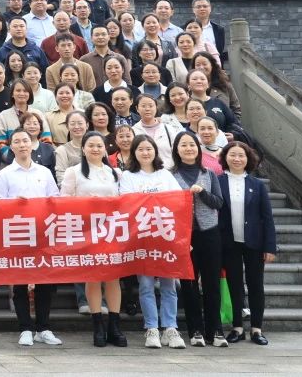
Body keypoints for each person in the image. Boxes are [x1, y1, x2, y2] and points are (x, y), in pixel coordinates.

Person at [0, 130, 62, 347]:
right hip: (17, 233)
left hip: (42, 233)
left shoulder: (44, 172)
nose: (22, 145)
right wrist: (14, 203)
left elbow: (55, 199)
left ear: (32, 144)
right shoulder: (4, 174)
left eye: (25, 141)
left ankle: (43, 328)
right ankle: (25, 328)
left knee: (44, 282)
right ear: (11, 146)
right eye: (17, 141)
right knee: (20, 282)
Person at [61, 131, 128, 347]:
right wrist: (87, 204)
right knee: (94, 277)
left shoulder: (115, 173)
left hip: (111, 231)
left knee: (113, 278)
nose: (96, 149)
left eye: (99, 145)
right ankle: (97, 324)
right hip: (86, 232)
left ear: (105, 149)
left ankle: (114, 326)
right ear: (83, 149)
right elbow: (63, 201)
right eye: (91, 145)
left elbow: (125, 201)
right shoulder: (73, 172)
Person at [119, 135, 186, 349]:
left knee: (169, 285)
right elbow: (128, 203)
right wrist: (155, 201)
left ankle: (170, 328)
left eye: (149, 148)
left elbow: (178, 201)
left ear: (155, 151)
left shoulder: (165, 174)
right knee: (146, 285)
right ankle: (152, 328)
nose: (145, 153)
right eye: (141, 149)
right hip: (142, 237)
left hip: (166, 236)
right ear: (134, 153)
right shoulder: (128, 176)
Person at [170, 130, 226, 347]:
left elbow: (218, 203)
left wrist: (202, 192)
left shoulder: (209, 174)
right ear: (176, 150)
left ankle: (216, 329)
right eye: (183, 145)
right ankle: (195, 330)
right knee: (189, 284)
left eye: (192, 144)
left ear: (198, 148)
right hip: (183, 236)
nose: (188, 148)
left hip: (209, 233)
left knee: (212, 283)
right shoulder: (170, 176)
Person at [218, 141, 276, 345]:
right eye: (232, 155)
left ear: (248, 159)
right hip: (229, 242)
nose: (237, 159)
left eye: (241, 155)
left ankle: (257, 329)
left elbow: (267, 218)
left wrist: (270, 247)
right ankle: (237, 327)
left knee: (256, 285)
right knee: (234, 285)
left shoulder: (257, 185)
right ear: (225, 157)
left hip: (254, 242)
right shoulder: (218, 181)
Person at [53, 110, 88, 184]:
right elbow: (61, 177)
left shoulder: (97, 147)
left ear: (87, 125)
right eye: (72, 124)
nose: (76, 127)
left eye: (80, 123)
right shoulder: (62, 150)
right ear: (67, 126)